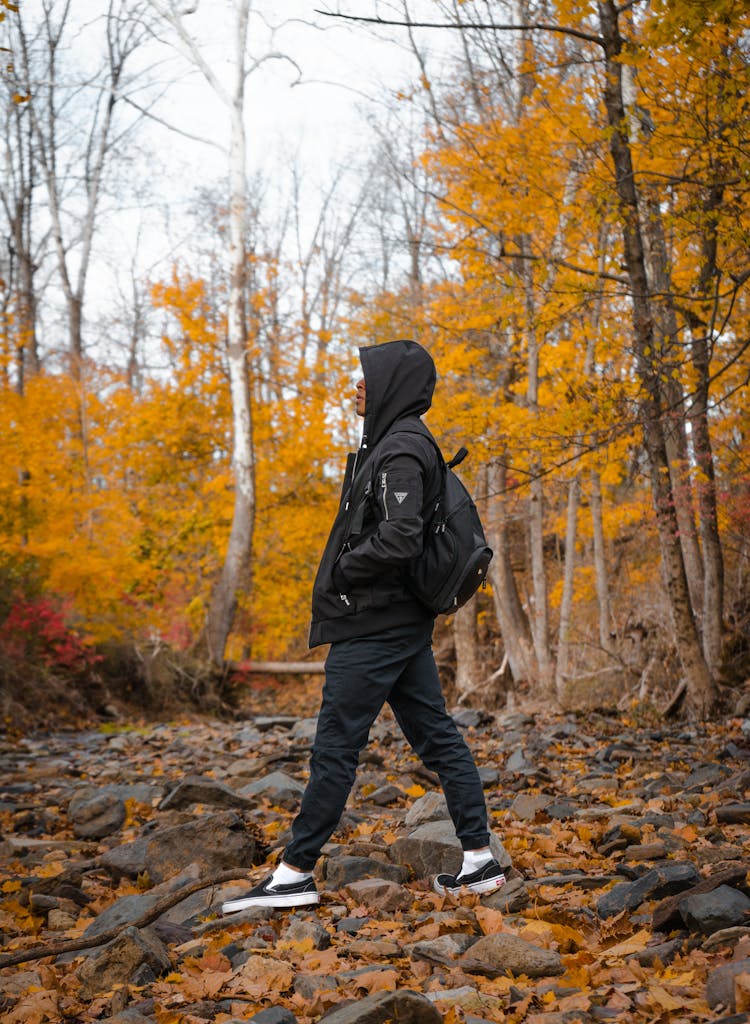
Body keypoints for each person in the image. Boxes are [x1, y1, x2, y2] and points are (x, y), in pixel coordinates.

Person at [222, 339, 505, 912]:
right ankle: (479, 860)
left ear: (390, 387)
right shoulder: (397, 443)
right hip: (398, 623)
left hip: (374, 626)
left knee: (336, 747)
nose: (355, 387)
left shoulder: (400, 449)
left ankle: (295, 873)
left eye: (364, 379)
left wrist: (345, 569)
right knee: (436, 736)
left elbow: (400, 535)